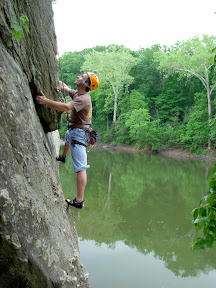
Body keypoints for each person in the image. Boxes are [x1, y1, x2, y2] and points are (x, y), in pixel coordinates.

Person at [36, 72, 99, 209]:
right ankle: (63, 156)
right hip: (75, 131)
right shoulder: (78, 94)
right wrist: (54, 79)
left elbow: (65, 107)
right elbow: (65, 87)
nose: (78, 77)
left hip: (79, 134)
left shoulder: (83, 99)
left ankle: (79, 200)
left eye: (81, 77)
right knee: (68, 137)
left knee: (81, 168)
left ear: (86, 84)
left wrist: (45, 101)